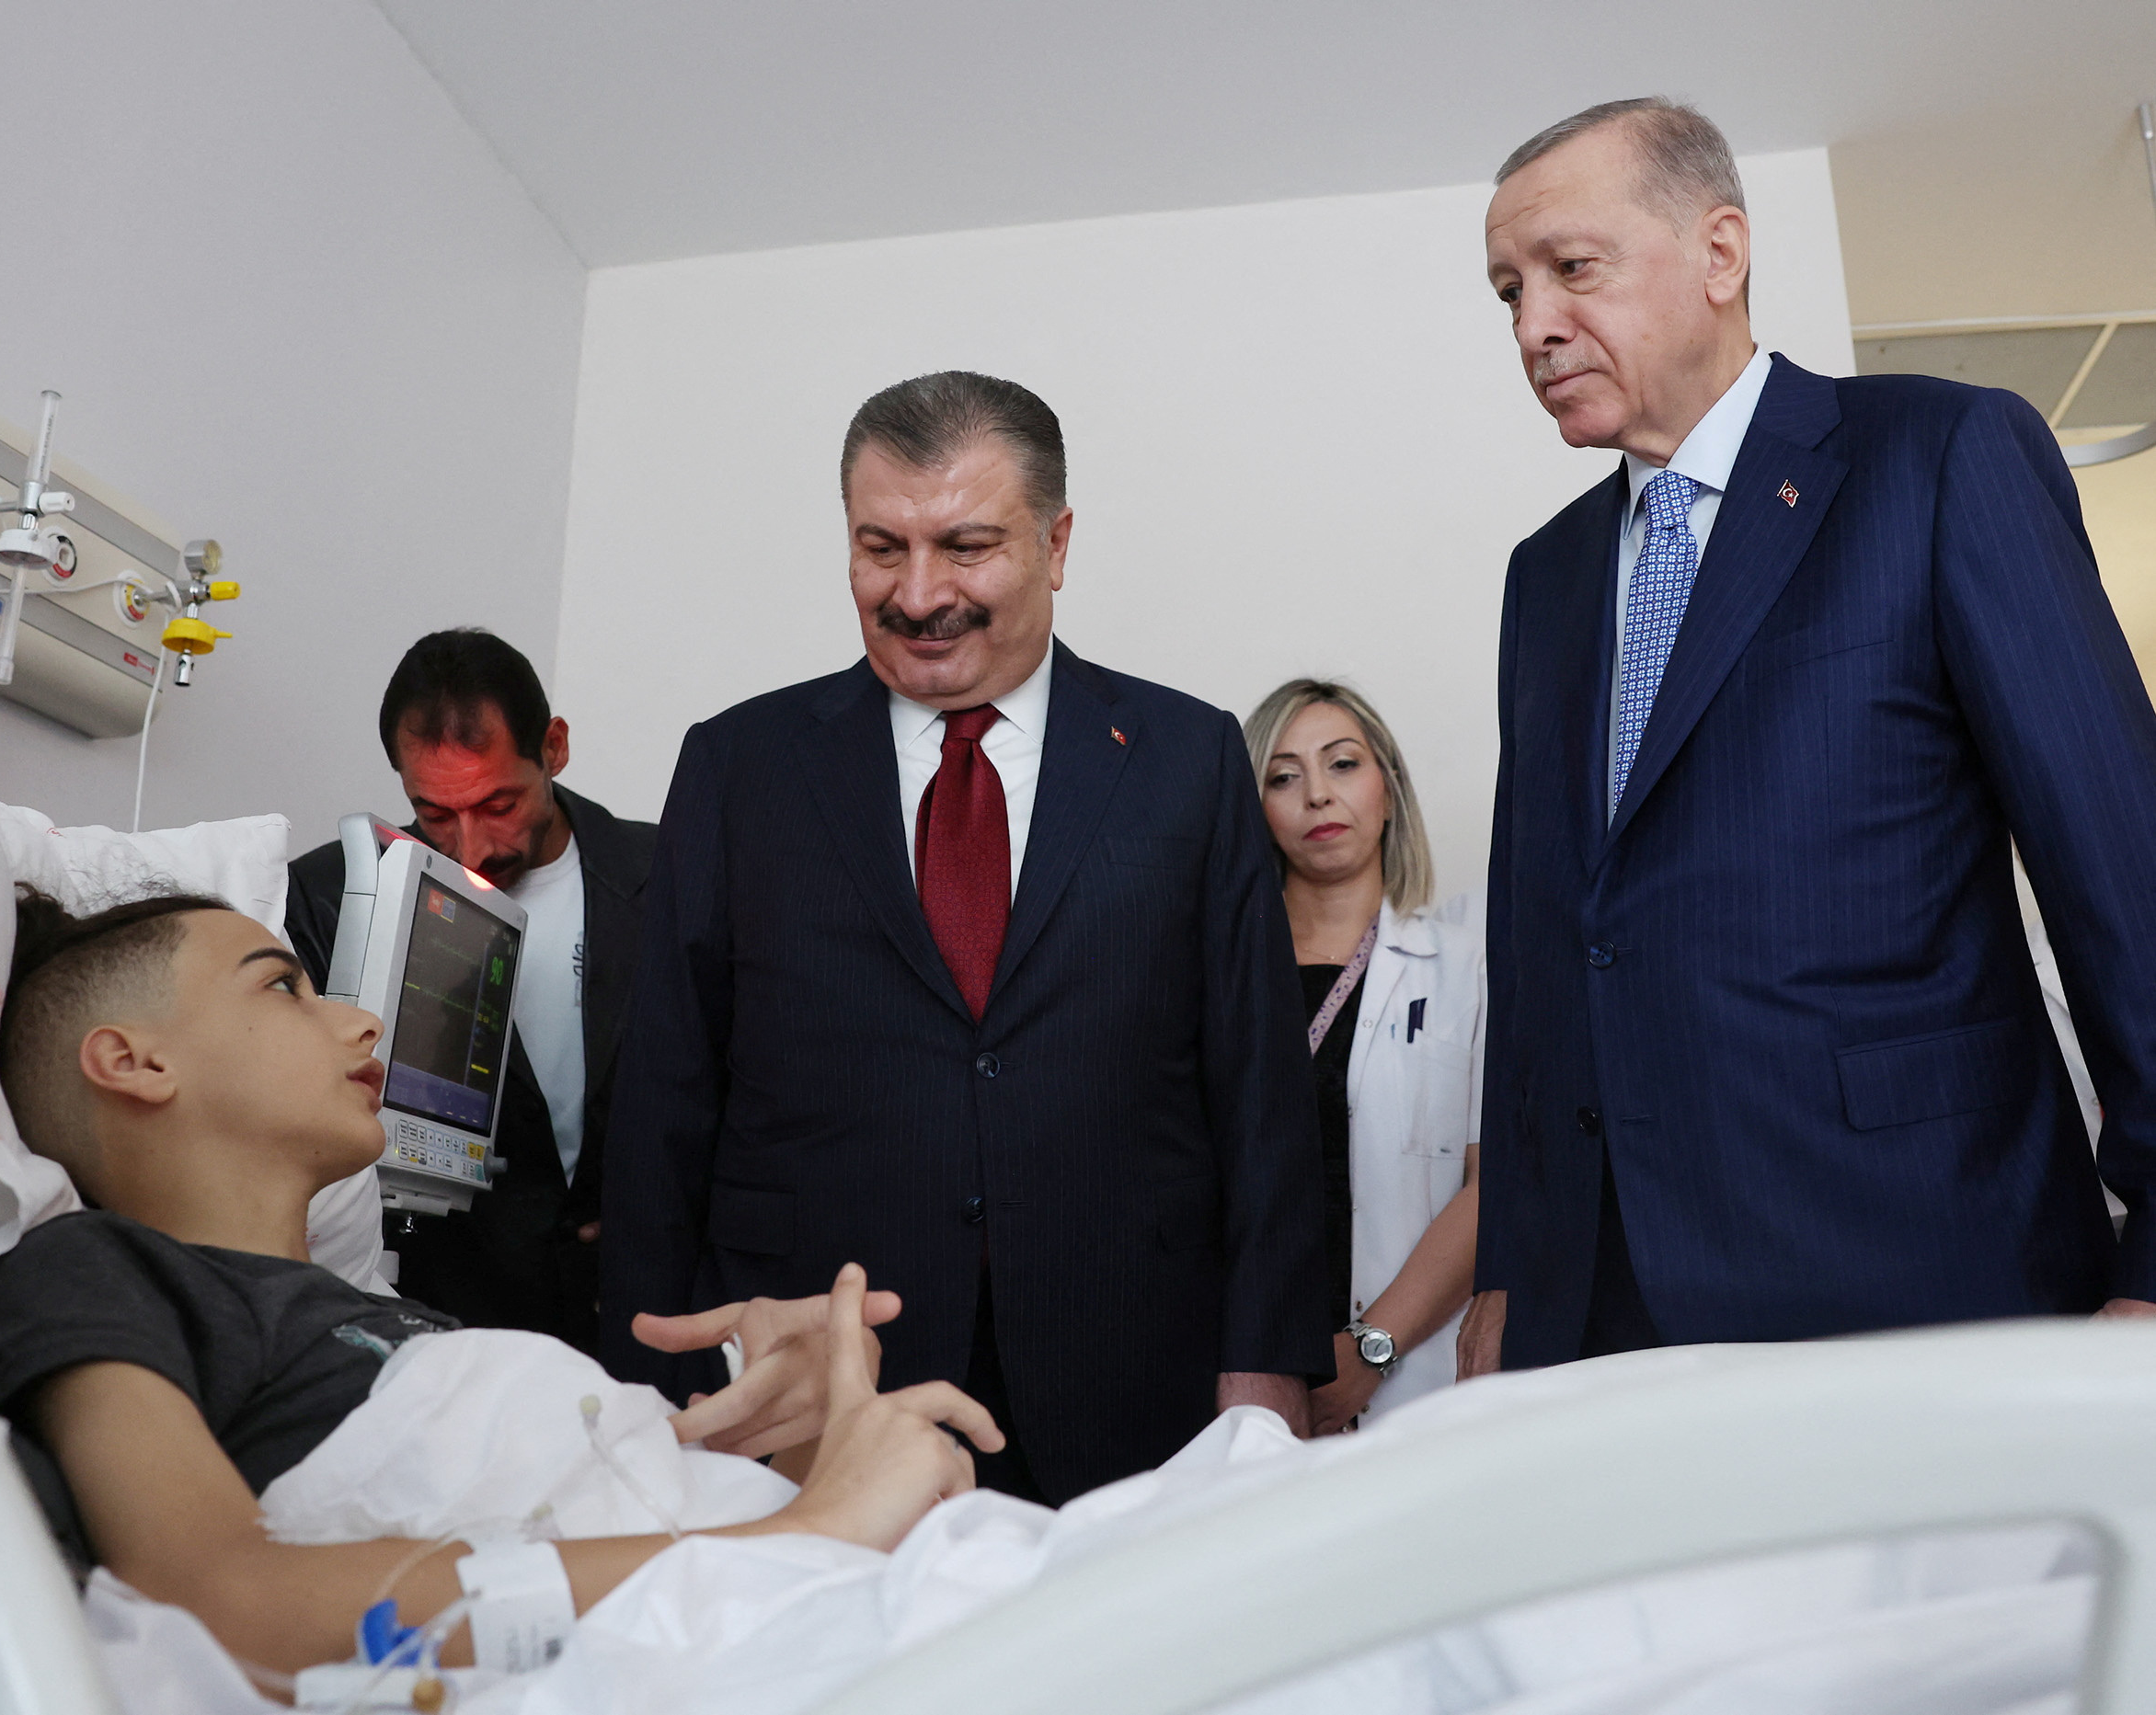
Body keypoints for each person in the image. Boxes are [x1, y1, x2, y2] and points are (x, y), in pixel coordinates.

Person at [1467, 97, 2156, 1375]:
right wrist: (1511, 1270)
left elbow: (2122, 870)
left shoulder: (1936, 457)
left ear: (1718, 253)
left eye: (1570, 270)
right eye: (1506, 290)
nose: (1531, 325)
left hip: (1916, 1267)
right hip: (1604, 1313)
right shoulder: (1544, 576)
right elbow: (1542, 934)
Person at [0, 886, 1000, 1675]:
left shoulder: (411, 1326)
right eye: (281, 986)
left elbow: (611, 1521)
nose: (361, 1021)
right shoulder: (93, 1271)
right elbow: (220, 1605)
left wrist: (809, 1422)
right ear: (134, 1061)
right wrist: (805, 1536)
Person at [600, 370, 1336, 1504]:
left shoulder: (1186, 760)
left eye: (966, 545)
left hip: (1136, 1374)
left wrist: (1268, 1361)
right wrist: (653, 1378)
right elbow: (665, 1090)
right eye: (880, 547)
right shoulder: (740, 766)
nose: (918, 591)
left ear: (1057, 542)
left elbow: (1260, 1091)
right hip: (818, 1390)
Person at [286, 630, 656, 1352]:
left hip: (634, 1312)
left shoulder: (673, 872)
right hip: (441, 1312)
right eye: (433, 814)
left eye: (498, 804)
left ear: (553, 747)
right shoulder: (330, 899)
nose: (470, 848)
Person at [1246, 679, 1484, 1431]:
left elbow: (1496, 1182)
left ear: (1389, 787)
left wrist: (1367, 1351)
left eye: (1341, 763)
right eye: (1282, 776)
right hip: (1245, 1375)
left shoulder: (1468, 963)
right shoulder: (1214, 980)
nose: (1317, 795)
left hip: (1412, 1379)